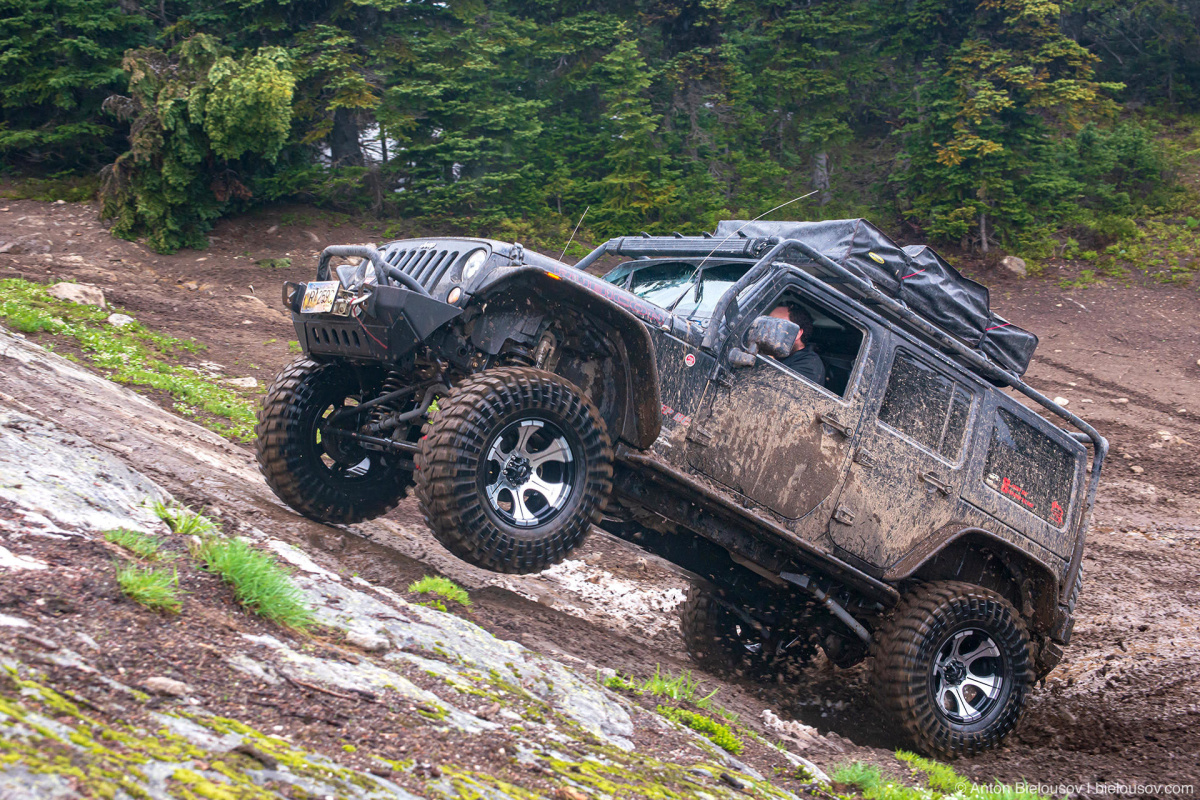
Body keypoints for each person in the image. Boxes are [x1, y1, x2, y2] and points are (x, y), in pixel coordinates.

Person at [768, 302, 826, 387]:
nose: (768, 330)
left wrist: (767, 358)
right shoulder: (779, 355)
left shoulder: (809, 365)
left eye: (777, 325)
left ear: (797, 333)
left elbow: (774, 392)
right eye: (767, 323)